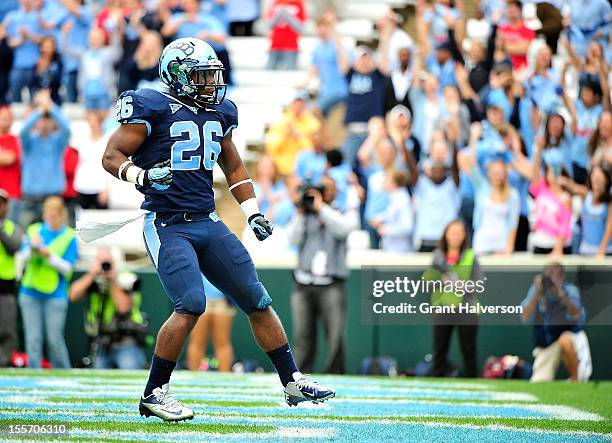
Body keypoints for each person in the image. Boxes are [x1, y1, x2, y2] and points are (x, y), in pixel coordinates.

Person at [102, 37, 334, 421]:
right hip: (167, 224)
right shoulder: (152, 106)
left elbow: (235, 169)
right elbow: (112, 156)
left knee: (257, 301)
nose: (211, 83)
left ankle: (291, 380)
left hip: (208, 221)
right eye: (202, 75)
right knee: (192, 304)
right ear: (177, 76)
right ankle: (155, 392)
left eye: (212, 75)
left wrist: (252, 211)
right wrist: (141, 174)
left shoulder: (219, 112)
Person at [286, 174, 358, 374]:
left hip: (331, 283)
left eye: (328, 187)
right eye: (321, 187)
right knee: (302, 335)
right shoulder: (304, 214)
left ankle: (335, 375)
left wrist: (321, 208)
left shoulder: (339, 212)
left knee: (335, 335)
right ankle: (299, 376)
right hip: (304, 282)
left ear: (334, 191)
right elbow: (292, 239)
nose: (324, 191)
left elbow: (343, 229)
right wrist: (301, 211)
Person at [18, 196, 77, 369]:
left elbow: (68, 269)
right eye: (48, 214)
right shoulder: (34, 230)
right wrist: (31, 248)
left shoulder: (69, 236)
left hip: (55, 294)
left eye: (54, 214)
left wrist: (48, 255)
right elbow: (21, 259)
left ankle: (64, 375)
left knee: (54, 340)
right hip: (30, 291)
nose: (50, 218)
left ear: (61, 214)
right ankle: (33, 378)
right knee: (33, 340)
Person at [69, 248, 147, 369]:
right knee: (98, 379)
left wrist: (112, 282)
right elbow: (73, 295)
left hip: (126, 343)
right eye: (101, 262)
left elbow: (124, 308)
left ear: (115, 263)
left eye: (107, 262)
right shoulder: (94, 279)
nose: (105, 266)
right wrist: (91, 274)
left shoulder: (125, 279)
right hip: (102, 344)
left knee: (130, 373)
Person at [423, 219, 481, 378]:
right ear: (445, 235)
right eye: (452, 232)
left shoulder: (471, 256)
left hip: (466, 308)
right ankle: (438, 381)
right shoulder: (437, 256)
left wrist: (460, 285)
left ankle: (471, 382)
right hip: (442, 307)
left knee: (468, 349)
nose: (455, 236)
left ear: (464, 236)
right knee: (439, 349)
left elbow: (478, 284)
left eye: (459, 233)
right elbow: (428, 282)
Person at [521, 262, 591, 382]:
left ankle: (576, 380)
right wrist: (536, 294)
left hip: (570, 336)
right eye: (548, 276)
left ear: (562, 277)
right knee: (539, 381)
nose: (550, 280)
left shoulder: (570, 290)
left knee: (564, 340)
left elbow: (578, 315)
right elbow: (525, 317)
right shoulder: (537, 290)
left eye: (554, 276)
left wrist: (562, 295)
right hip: (549, 341)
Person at [19, 90, 70, 228]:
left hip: (53, 199)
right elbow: (23, 131)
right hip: (30, 200)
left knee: (54, 239)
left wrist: (51, 107)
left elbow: (67, 129)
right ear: (36, 121)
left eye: (48, 119)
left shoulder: (57, 142)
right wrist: (40, 110)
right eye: (42, 119)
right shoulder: (29, 141)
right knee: (26, 241)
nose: (44, 123)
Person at [264, 91, 321, 176]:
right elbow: (271, 147)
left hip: (302, 169)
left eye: (301, 105)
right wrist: (285, 136)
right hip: (280, 168)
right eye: (296, 104)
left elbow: (312, 150)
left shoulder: (312, 123)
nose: (298, 107)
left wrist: (298, 136)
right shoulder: (281, 121)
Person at [186, 276, 236, 371]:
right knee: (197, 341)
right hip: (200, 299)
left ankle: (225, 379)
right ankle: (194, 376)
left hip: (223, 301)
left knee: (222, 342)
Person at [0, 189, 22, 367]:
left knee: (7, 328)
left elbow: (13, 247)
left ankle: (5, 362)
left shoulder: (12, 227)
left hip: (5, 285)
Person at [265, 0, 306, 70]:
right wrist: (278, 14)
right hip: (275, 45)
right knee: (269, 72)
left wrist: (287, 14)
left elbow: (301, 28)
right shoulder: (275, 3)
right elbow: (269, 25)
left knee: (289, 74)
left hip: (291, 46)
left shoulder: (298, 3)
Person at [0, 106, 20, 223]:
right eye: (2, 117)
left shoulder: (16, 140)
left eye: (8, 117)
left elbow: (10, 159)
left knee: (11, 231)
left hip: (12, 195)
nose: (5, 120)